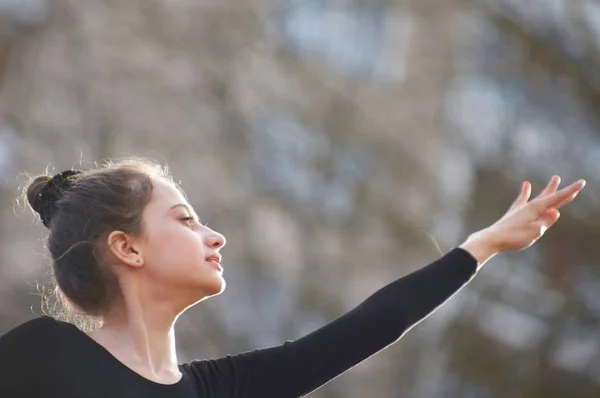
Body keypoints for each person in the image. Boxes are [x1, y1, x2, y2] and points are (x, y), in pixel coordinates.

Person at [0, 158, 586, 398]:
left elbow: (372, 324)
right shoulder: (41, 354)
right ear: (126, 248)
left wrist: (483, 245)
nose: (215, 236)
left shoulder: (218, 390)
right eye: (186, 220)